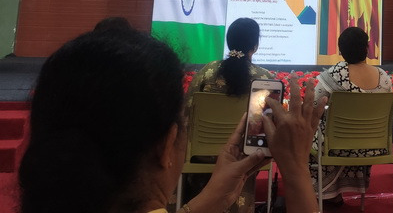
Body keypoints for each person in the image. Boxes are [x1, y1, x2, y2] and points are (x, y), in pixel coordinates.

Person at [18, 26, 326, 213]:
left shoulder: (205, 73)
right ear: (166, 145)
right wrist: (295, 169)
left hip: (199, 162)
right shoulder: (266, 78)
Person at [184, 17, 273, 212]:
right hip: (243, 160)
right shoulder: (265, 79)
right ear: (255, 46)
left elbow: (186, 114)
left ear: (229, 41)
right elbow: (268, 126)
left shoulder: (206, 72)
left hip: (201, 156)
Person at [310, 26, 393, 206]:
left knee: (311, 136)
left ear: (340, 51)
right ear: (367, 49)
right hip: (373, 147)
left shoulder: (332, 76)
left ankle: (325, 193)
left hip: (336, 147)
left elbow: (313, 108)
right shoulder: (384, 77)